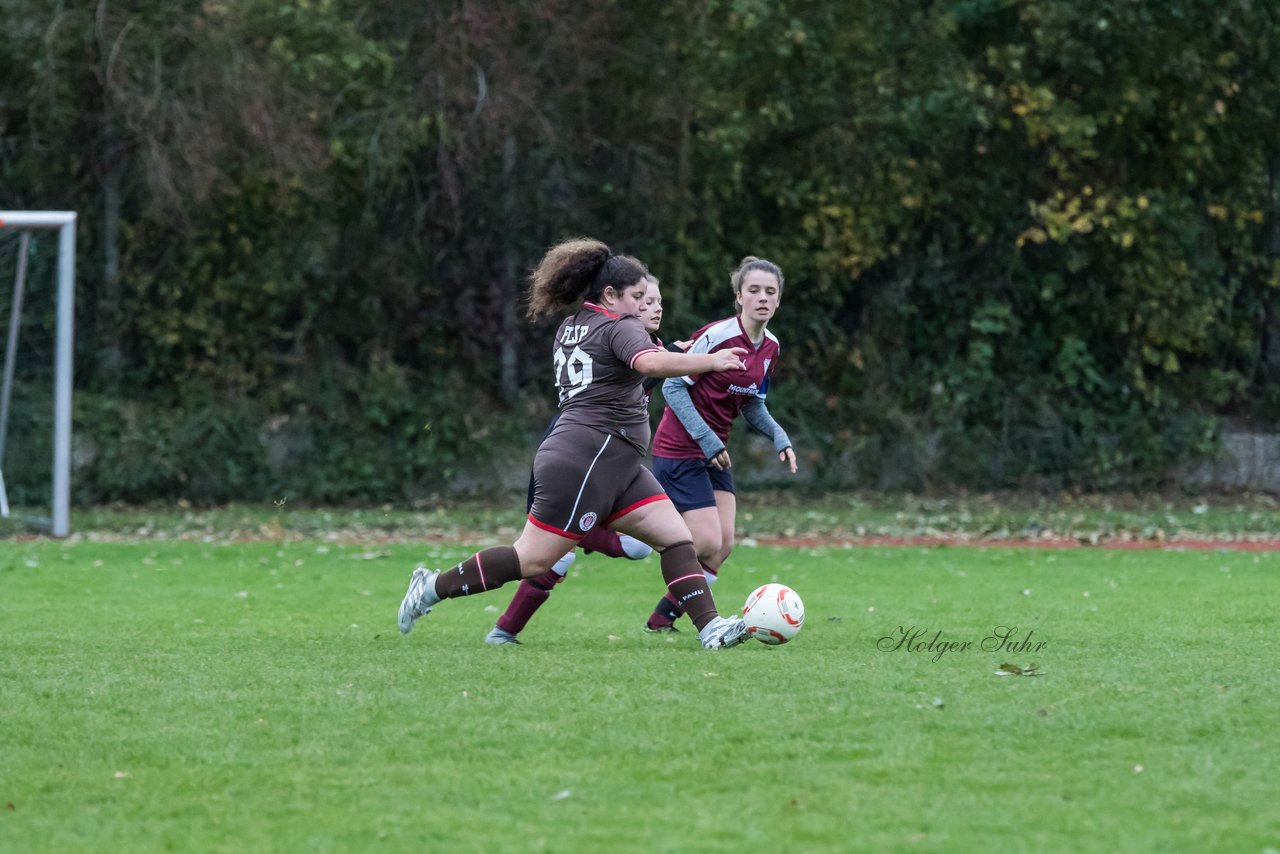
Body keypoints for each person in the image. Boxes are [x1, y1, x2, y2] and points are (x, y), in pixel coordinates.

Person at [398, 238, 752, 649]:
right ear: (609, 295)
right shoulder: (620, 325)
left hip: (612, 462)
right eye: (636, 296)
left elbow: (630, 373)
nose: (643, 304)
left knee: (676, 538)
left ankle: (711, 629)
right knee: (532, 558)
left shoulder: (574, 325)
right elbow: (648, 363)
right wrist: (712, 360)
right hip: (590, 456)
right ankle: (430, 588)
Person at [483, 273, 671, 646]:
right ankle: (502, 630)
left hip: (608, 461)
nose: (655, 307)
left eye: (658, 301)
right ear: (621, 301)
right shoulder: (619, 340)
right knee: (552, 559)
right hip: (577, 455)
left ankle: (583, 535)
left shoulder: (651, 347)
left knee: (638, 547)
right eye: (645, 299)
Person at [643, 255, 798, 633]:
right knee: (705, 540)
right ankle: (633, 538)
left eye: (770, 292)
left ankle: (661, 620)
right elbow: (673, 386)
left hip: (714, 452)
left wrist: (779, 435)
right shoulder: (717, 336)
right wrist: (708, 440)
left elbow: (752, 401)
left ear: (778, 301)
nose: (762, 298)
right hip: (680, 448)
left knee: (723, 545)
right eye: (754, 290)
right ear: (739, 296)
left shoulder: (771, 347)